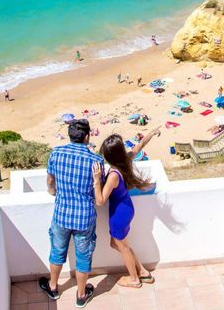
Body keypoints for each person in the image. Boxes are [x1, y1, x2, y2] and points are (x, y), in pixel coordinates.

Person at [40, 120, 103, 308]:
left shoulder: (56, 153)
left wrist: (52, 191)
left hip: (61, 214)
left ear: (70, 135)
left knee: (57, 251)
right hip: (84, 218)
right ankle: (81, 295)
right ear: (87, 137)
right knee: (83, 257)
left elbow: (50, 180)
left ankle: (53, 287)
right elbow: (97, 192)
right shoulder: (96, 161)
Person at [92, 128, 161, 288]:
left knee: (122, 247)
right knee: (117, 244)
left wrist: (96, 180)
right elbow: (140, 146)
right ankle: (143, 271)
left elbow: (100, 200)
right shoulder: (125, 161)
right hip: (126, 208)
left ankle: (134, 279)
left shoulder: (113, 175)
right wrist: (151, 133)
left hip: (119, 214)